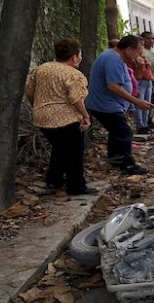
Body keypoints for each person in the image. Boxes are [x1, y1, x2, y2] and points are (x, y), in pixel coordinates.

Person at [24, 38, 97, 195]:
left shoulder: (41, 69)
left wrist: (38, 105)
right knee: (74, 153)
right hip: (66, 118)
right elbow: (76, 98)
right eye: (80, 54)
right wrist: (86, 116)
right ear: (74, 56)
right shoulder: (73, 74)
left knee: (59, 150)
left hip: (42, 117)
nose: (81, 58)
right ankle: (76, 186)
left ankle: (54, 182)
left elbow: (29, 90)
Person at [86, 35, 152, 175]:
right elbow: (113, 86)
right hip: (105, 104)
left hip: (109, 103)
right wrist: (136, 101)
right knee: (124, 132)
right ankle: (127, 165)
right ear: (128, 49)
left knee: (116, 132)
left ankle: (115, 159)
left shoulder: (115, 57)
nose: (138, 56)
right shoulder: (112, 59)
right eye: (138, 52)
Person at [128, 46, 154, 134]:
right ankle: (140, 126)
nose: (142, 47)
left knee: (147, 104)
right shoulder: (133, 59)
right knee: (139, 104)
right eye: (140, 45)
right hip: (138, 81)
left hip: (148, 81)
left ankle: (145, 124)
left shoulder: (144, 57)